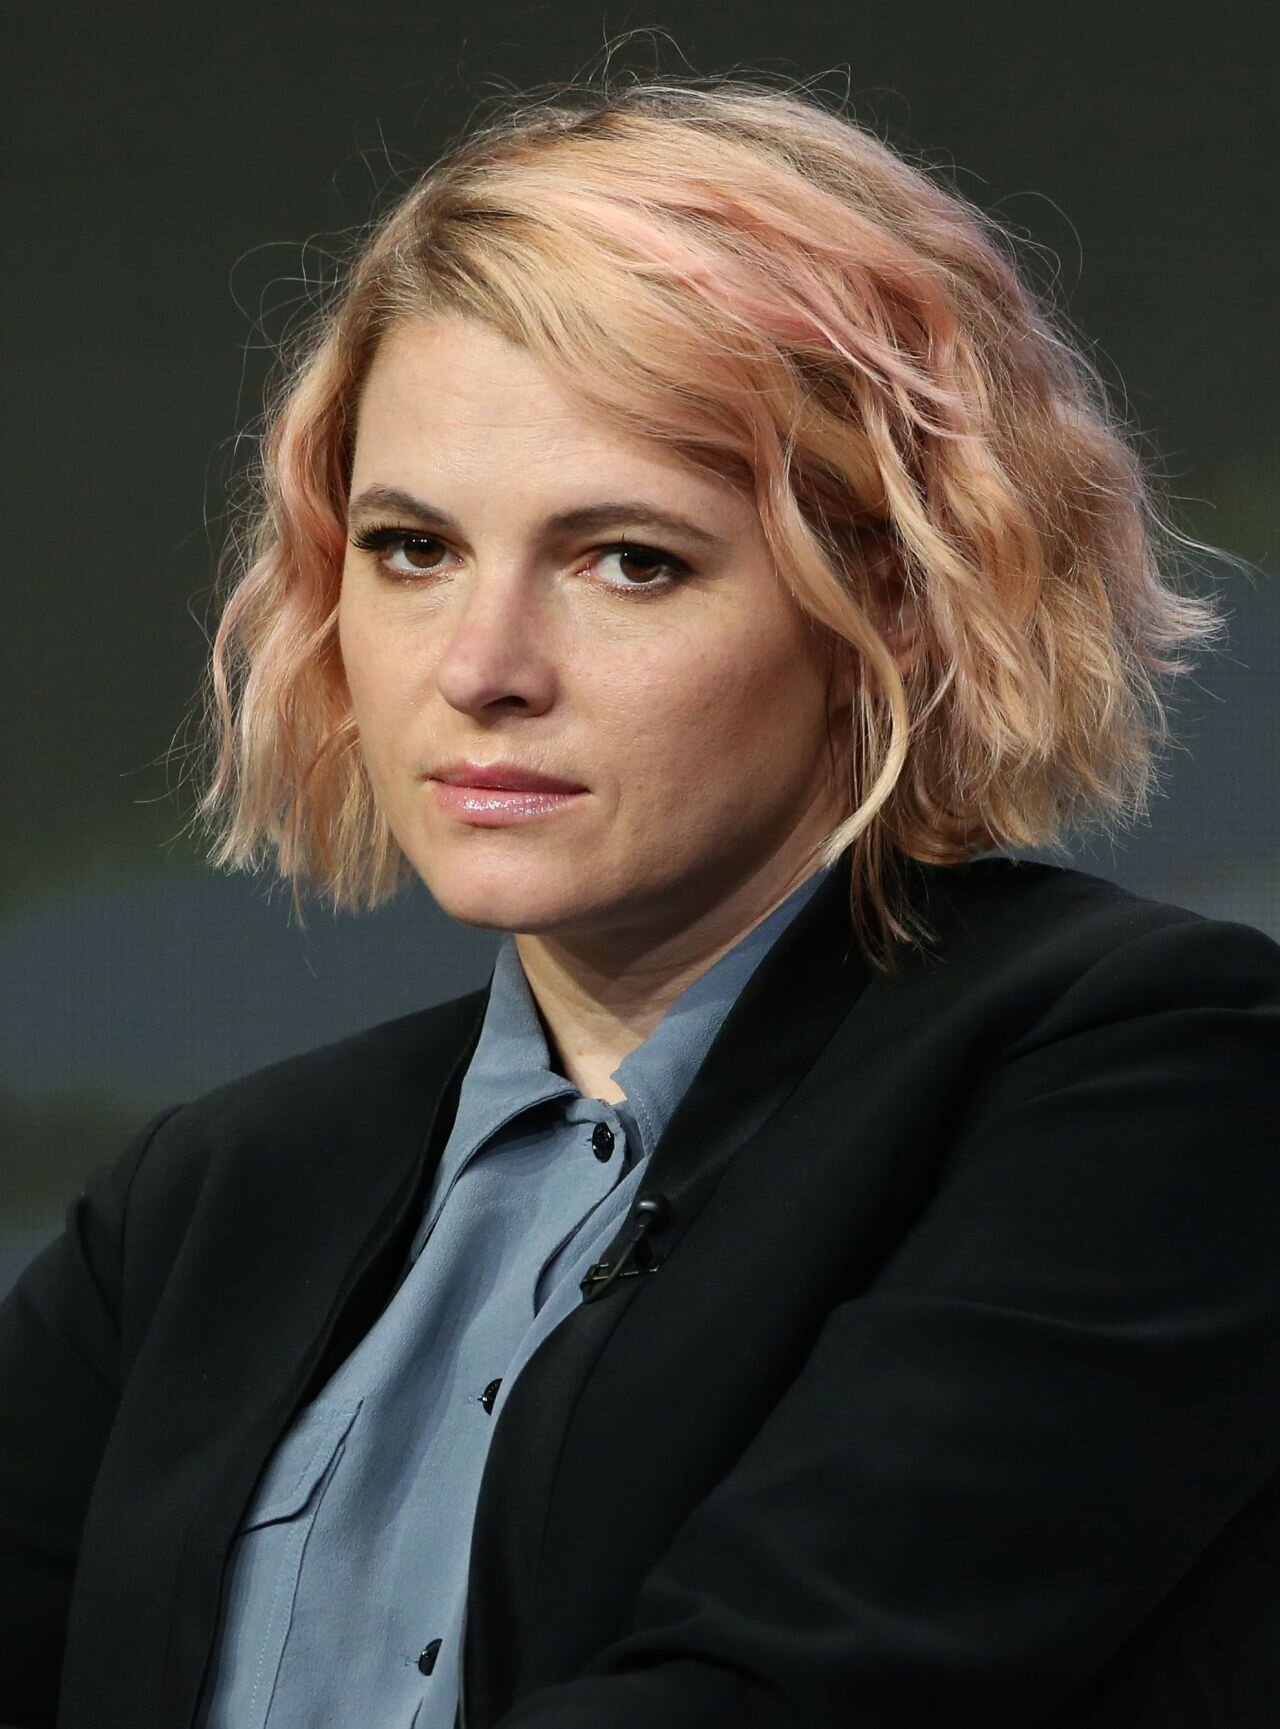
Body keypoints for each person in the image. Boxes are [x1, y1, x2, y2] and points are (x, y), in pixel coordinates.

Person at [2, 71, 1278, 1729]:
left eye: (629, 560)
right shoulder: (223, 1191)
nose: (482, 668)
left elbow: (787, 1688)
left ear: (897, 595)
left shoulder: (1155, 1071)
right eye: (411, 549)